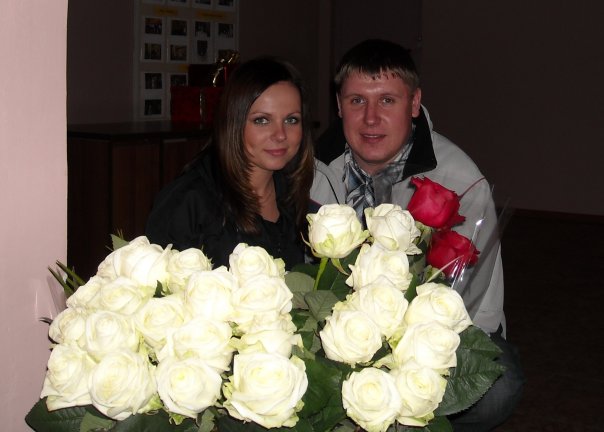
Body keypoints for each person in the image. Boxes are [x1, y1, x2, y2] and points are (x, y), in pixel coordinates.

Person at [311, 39, 524, 431]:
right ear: (339, 105)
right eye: (357, 101)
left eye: (387, 100)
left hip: (429, 337)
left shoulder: (459, 182)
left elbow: (478, 311)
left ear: (414, 103)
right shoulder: (309, 171)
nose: (371, 118)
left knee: (499, 385)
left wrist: (404, 363)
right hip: (338, 331)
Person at [146, 57, 314, 269]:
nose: (280, 134)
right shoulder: (189, 201)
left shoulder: (290, 190)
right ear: (233, 122)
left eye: (291, 120)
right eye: (262, 120)